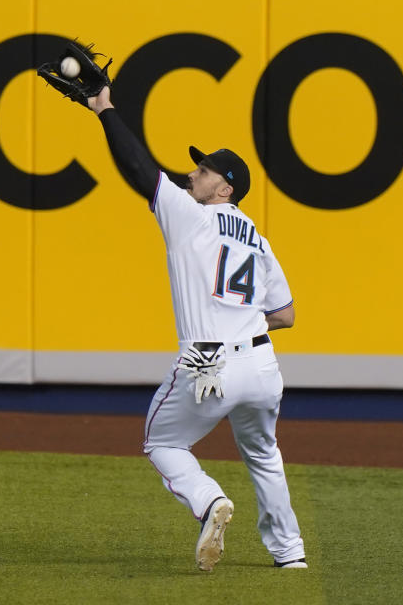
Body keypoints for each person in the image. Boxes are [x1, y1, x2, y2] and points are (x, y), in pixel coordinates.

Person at [87, 85, 306, 572]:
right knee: (264, 454)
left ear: (224, 188)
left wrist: (104, 109)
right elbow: (286, 314)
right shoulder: (259, 240)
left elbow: (140, 169)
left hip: (209, 363)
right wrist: (244, 320)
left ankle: (209, 502)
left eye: (204, 170)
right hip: (261, 363)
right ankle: (290, 554)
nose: (192, 173)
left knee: (162, 442)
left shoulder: (191, 217)